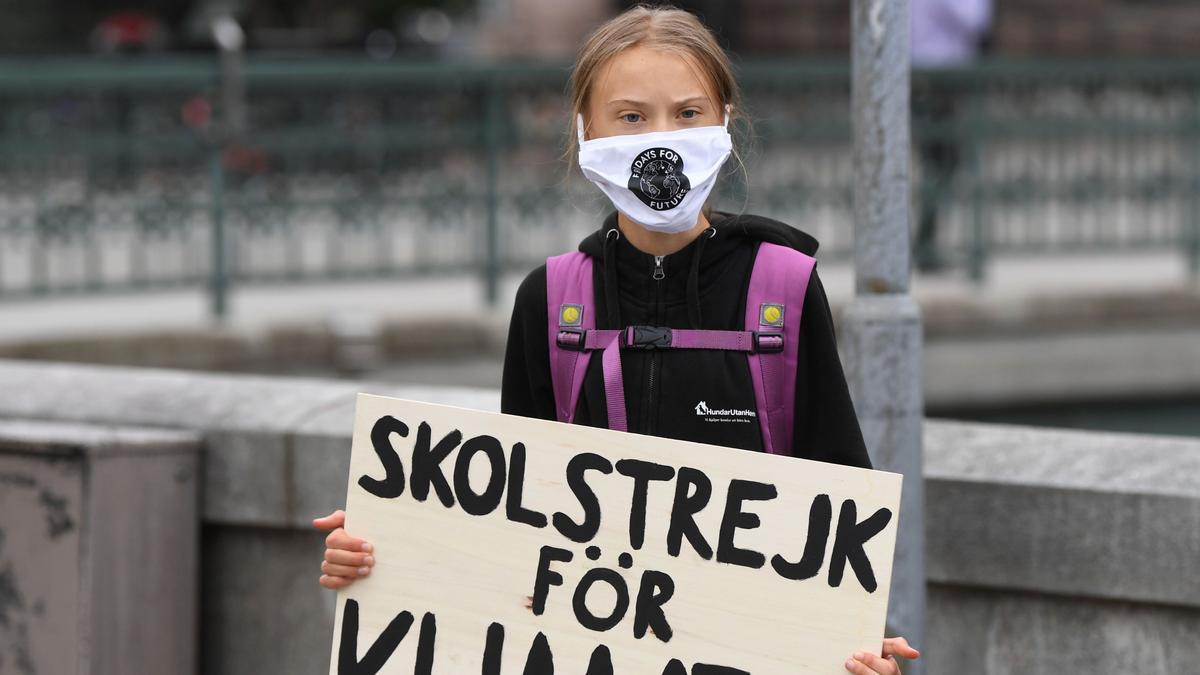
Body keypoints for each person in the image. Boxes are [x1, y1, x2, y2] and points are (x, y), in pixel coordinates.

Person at [315, 5, 920, 674]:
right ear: (585, 130)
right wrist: (392, 545)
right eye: (631, 116)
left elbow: (837, 516)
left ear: (725, 121)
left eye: (688, 113)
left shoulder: (784, 288)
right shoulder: (547, 302)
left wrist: (859, 646)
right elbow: (513, 528)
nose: (660, 136)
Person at [910, 0, 993, 272]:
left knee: (939, 162)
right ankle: (925, 242)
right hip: (940, 77)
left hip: (924, 73)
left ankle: (926, 240)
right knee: (942, 162)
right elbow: (974, 20)